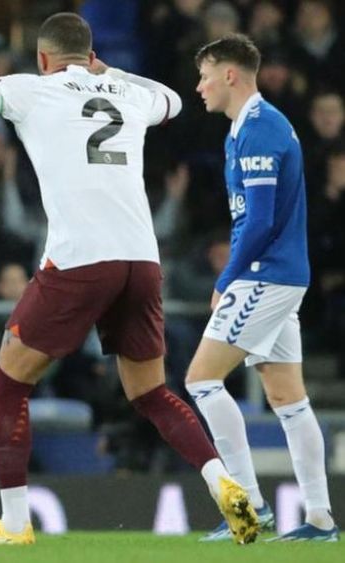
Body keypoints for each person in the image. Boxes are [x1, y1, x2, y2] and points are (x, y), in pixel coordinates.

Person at [0, 12, 259, 546]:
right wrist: (113, 74)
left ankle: (14, 523)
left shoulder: (33, 89)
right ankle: (223, 483)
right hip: (142, 261)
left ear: (42, 57)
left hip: (80, 258)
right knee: (150, 393)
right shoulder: (127, 93)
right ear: (91, 53)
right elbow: (171, 97)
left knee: (7, 383)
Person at [186, 33, 339, 542]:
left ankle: (248, 507)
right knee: (288, 400)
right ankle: (320, 519)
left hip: (265, 273)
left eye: (206, 75)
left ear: (231, 75)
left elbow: (260, 221)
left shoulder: (260, 128)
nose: (199, 86)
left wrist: (227, 277)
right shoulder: (244, 129)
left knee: (202, 380)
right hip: (279, 274)